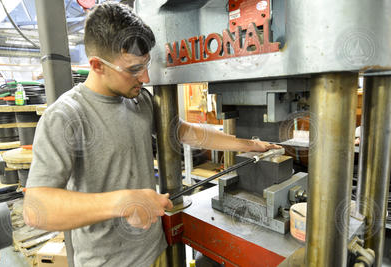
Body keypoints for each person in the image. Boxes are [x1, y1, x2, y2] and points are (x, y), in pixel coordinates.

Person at [23, 2, 281, 267]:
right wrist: (122, 202)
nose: (145, 77)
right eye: (134, 69)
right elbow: (36, 209)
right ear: (97, 65)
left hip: (156, 251)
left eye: (145, 65)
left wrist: (247, 144)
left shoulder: (138, 100)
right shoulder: (67, 116)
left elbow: (184, 131)